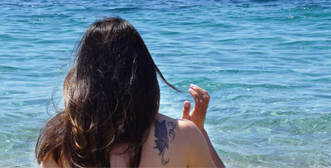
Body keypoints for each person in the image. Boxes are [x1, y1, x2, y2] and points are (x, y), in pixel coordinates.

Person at [36, 17, 225, 168]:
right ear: (144, 75)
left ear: (84, 79)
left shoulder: (60, 146)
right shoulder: (184, 136)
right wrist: (200, 133)